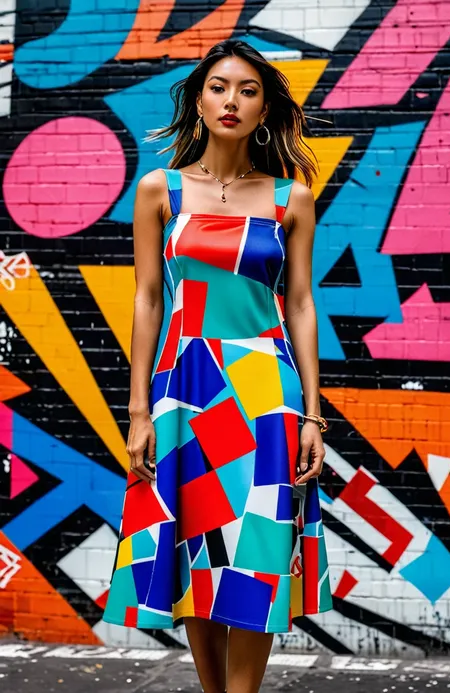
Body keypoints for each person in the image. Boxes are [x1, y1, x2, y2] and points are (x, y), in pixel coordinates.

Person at [103, 38, 332, 693]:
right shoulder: (160, 189)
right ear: (198, 101)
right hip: (184, 389)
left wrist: (313, 412)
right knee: (193, 552)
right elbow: (148, 301)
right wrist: (139, 409)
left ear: (265, 110)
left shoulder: (291, 197)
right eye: (219, 87)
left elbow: (301, 304)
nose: (232, 100)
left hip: (266, 391)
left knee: (255, 554)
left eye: (248, 90)